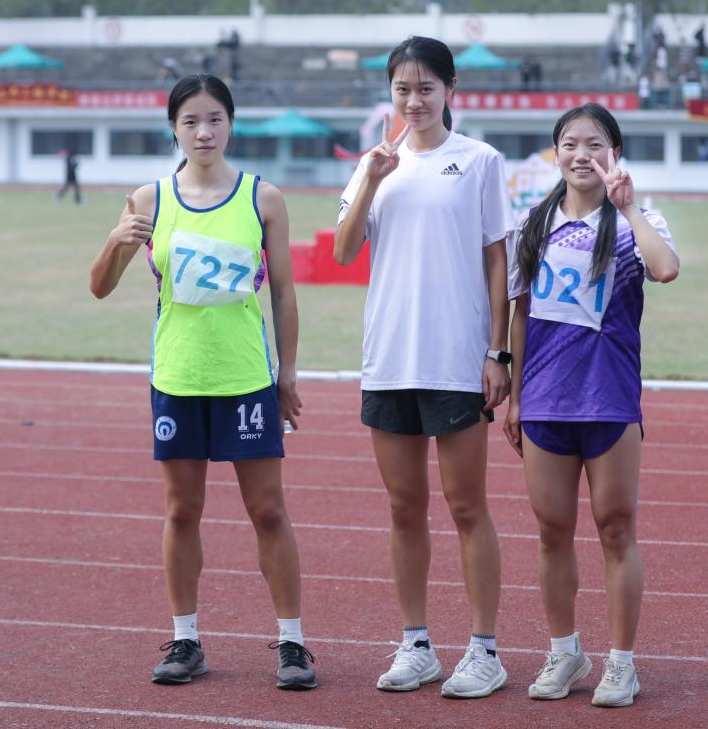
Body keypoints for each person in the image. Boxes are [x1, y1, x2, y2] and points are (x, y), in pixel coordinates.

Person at [89, 74, 316, 692]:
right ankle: (185, 638)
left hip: (245, 378)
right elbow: (100, 286)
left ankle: (293, 643)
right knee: (182, 510)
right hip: (179, 378)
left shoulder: (263, 199)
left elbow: (285, 294)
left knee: (268, 510)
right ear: (174, 129)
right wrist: (114, 240)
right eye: (190, 121)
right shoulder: (149, 199)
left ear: (231, 124)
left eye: (215, 119)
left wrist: (287, 373)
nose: (204, 131)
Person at [334, 35, 514, 699]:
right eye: (403, 89)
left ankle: (485, 649)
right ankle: (416, 645)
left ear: (450, 89)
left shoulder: (480, 160)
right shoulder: (374, 164)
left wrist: (497, 351)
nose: (415, 100)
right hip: (390, 357)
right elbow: (346, 250)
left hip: (457, 358)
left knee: (467, 506)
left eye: (426, 88)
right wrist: (373, 178)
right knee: (404, 507)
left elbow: (498, 259)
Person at [504, 103, 678, 708]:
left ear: (615, 153)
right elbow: (520, 314)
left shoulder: (634, 223)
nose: (582, 155)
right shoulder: (532, 224)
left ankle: (621, 663)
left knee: (616, 529)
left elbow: (667, 269)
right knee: (552, 532)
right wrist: (516, 397)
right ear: (556, 153)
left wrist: (628, 207)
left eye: (595, 144)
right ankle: (564, 652)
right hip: (545, 402)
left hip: (609, 400)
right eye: (570, 144)